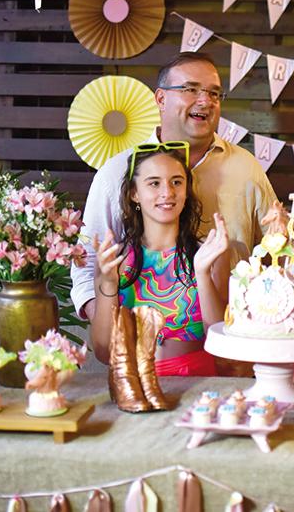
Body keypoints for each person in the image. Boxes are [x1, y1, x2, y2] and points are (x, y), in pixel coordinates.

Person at [71, 52, 277, 322]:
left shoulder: (245, 167)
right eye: (191, 89)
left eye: (214, 93)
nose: (205, 101)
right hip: (142, 342)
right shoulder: (119, 170)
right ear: (160, 98)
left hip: (232, 335)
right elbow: (87, 262)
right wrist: (110, 331)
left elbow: (276, 251)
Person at [89, 142, 230, 376]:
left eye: (176, 182)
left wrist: (202, 273)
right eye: (154, 183)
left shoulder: (210, 254)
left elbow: (222, 346)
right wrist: (108, 284)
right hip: (132, 381)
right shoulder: (115, 259)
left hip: (198, 382)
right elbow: (104, 353)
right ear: (135, 193)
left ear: (187, 190)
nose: (167, 192)